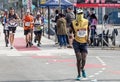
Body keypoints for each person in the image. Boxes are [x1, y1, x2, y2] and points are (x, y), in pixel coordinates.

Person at [70, 9, 89, 81]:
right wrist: (70, 38)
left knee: (84, 59)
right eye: (78, 13)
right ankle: (79, 74)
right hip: (76, 42)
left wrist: (88, 38)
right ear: (76, 14)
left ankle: (82, 68)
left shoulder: (86, 21)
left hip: (84, 42)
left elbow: (88, 29)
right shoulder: (73, 23)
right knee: (79, 59)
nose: (80, 15)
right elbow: (70, 31)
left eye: (81, 13)